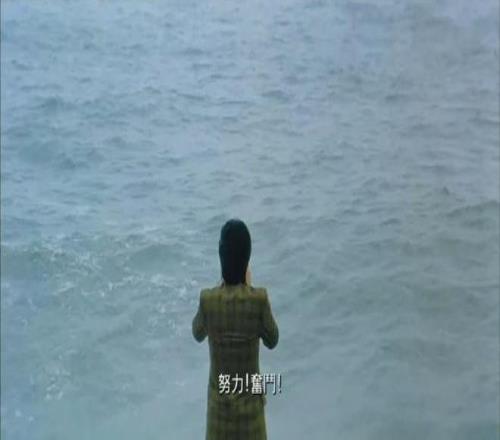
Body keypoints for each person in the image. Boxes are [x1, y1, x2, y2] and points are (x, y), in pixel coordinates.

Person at [192, 218, 279, 440]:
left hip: (218, 421)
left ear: (221, 257)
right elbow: (273, 340)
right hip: (252, 422)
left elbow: (197, 333)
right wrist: (249, 287)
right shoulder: (258, 299)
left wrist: (220, 285)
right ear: (247, 259)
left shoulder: (208, 300)